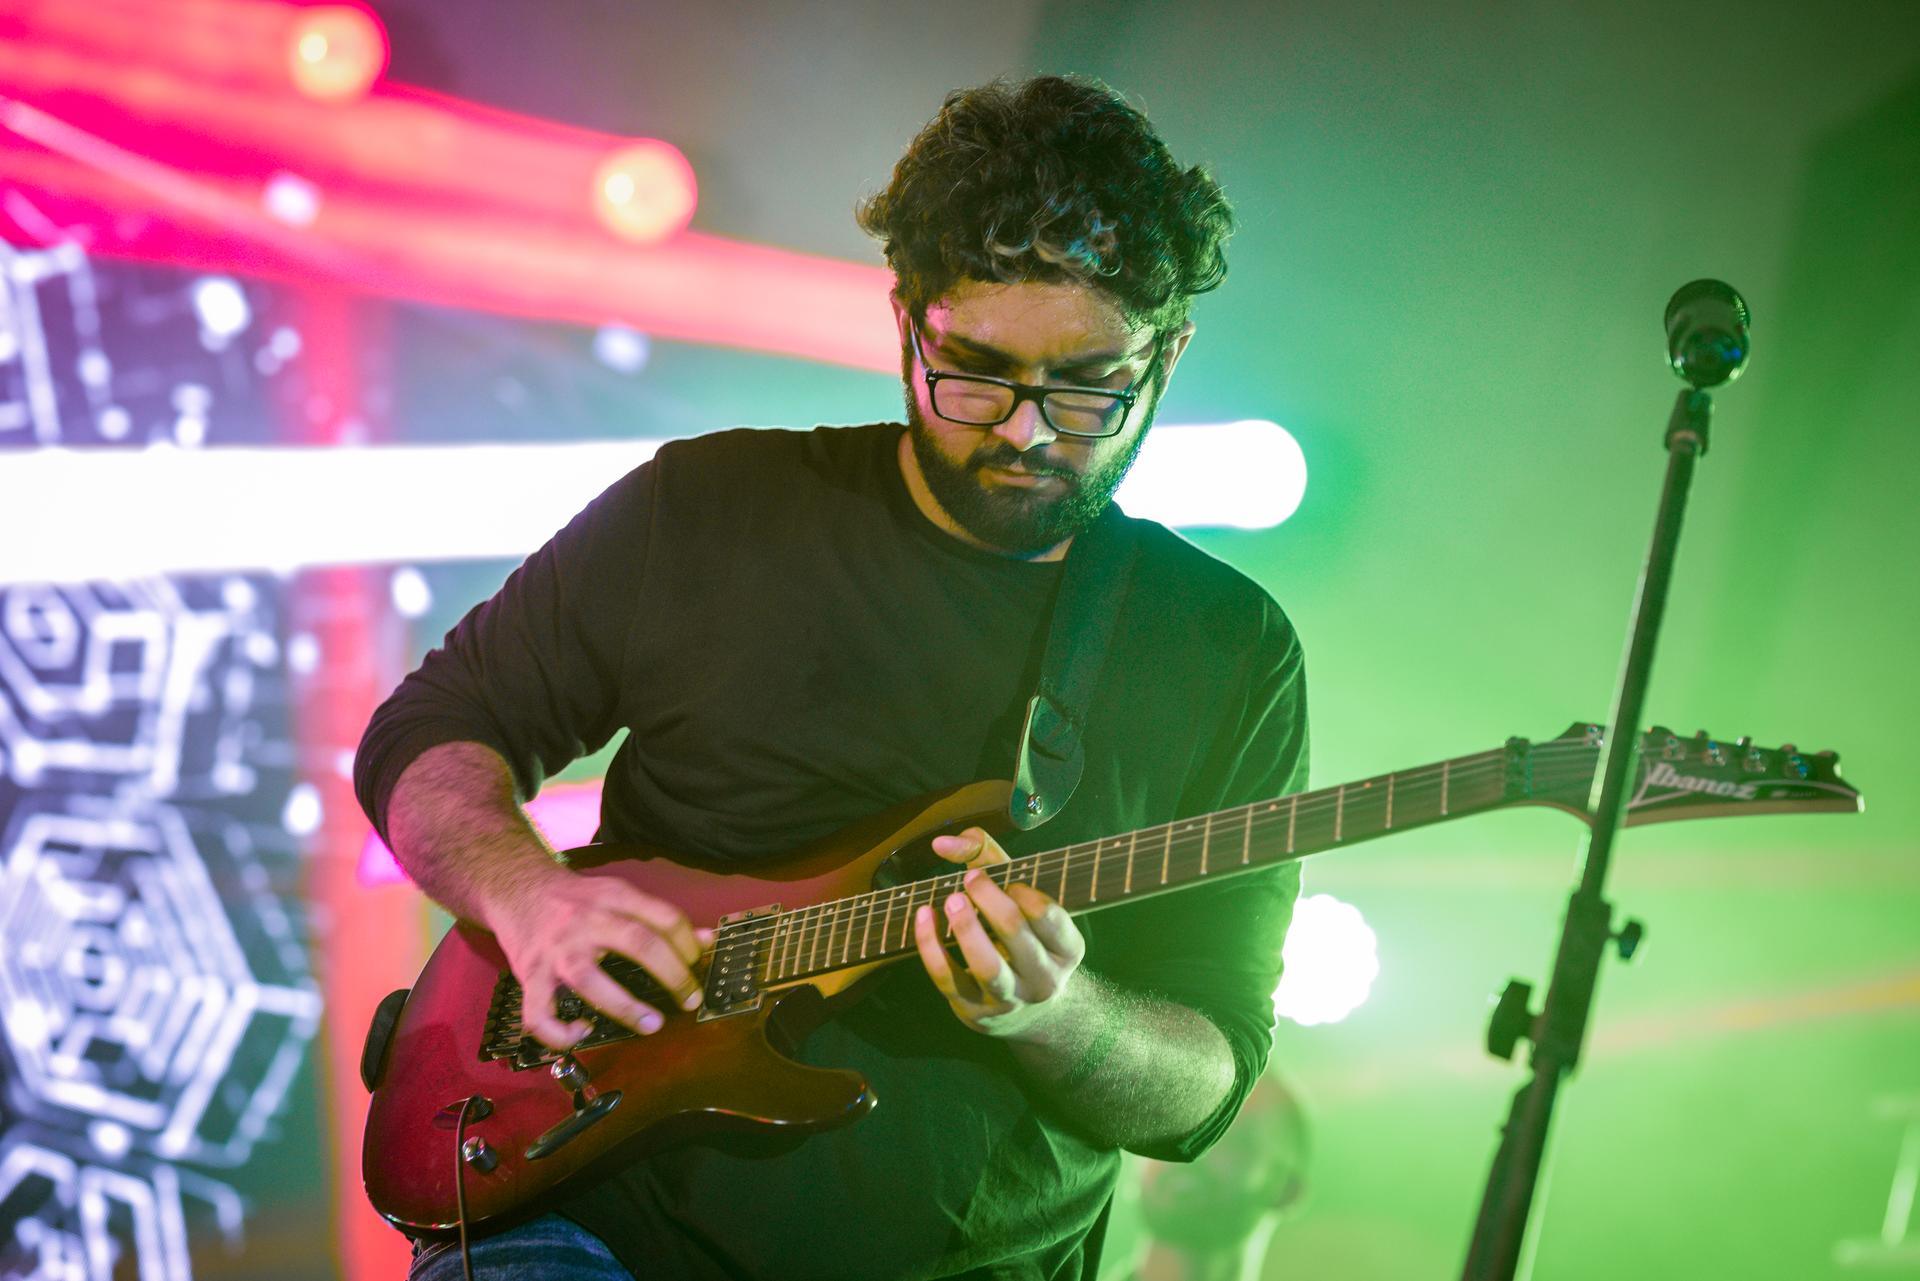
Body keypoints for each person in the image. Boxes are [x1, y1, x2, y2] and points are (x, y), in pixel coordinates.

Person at [355, 74, 1308, 1281]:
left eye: (1086, 385)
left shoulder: (1226, 649)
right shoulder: (711, 507)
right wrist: (530, 902)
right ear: (906, 320)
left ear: (1167, 355)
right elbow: (435, 733)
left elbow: (1200, 1084)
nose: (1025, 430)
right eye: (976, 371)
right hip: (593, 1219)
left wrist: (1055, 1013)